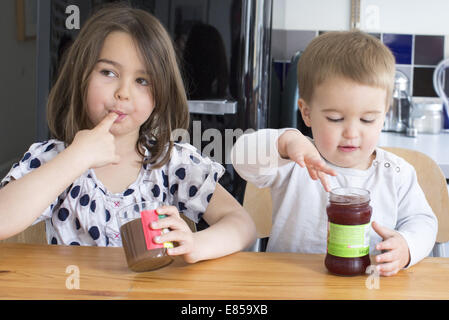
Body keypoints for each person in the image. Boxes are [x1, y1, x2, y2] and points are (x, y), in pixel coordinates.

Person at [0, 5, 256, 264]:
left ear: (160, 95)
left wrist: (196, 244)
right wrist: (75, 158)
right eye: (108, 73)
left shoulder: (171, 163)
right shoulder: (53, 158)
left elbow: (242, 224)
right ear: (81, 77)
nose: (123, 92)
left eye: (142, 81)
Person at [231, 30, 437, 276]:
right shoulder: (293, 162)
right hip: (291, 284)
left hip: (367, 286)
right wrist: (285, 143)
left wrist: (407, 247)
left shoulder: (397, 174)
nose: (351, 132)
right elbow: (240, 158)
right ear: (306, 113)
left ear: (385, 114)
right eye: (335, 118)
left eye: (367, 119)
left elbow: (423, 222)